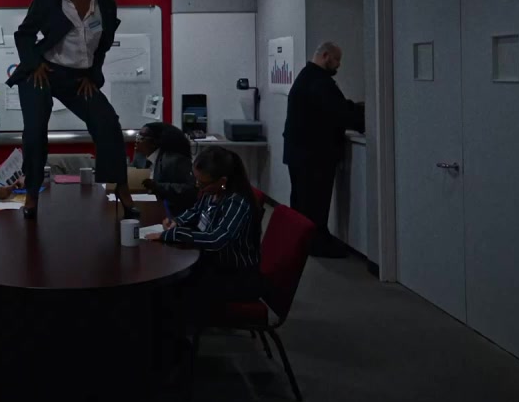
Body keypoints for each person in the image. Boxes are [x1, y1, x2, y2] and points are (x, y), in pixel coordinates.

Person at [7, 0, 139, 220]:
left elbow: (102, 46)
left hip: (78, 77)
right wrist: (35, 64)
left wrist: (92, 75)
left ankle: (121, 188)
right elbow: (24, 35)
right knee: (35, 131)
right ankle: (32, 194)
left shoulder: (102, 2)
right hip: (43, 72)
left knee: (107, 123)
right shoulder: (48, 0)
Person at [145, 146, 263, 323]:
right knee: (165, 283)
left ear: (222, 181)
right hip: (211, 263)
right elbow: (196, 211)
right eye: (196, 181)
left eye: (202, 183)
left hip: (235, 275)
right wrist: (177, 221)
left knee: (171, 289)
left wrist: (173, 234)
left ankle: (173, 334)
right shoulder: (212, 192)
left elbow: (216, 239)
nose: (198, 186)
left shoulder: (236, 203)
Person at [282, 42, 366, 258]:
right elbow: (339, 112)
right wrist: (363, 117)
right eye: (337, 59)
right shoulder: (320, 82)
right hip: (314, 155)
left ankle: (302, 241)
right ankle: (316, 244)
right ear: (326, 56)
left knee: (302, 202)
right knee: (315, 204)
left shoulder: (306, 77)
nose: (339, 65)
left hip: (299, 153)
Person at [134, 122, 197, 217]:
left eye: (141, 138)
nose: (137, 141)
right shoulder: (140, 157)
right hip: (147, 206)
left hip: (172, 211)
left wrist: (158, 187)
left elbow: (190, 189)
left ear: (154, 143)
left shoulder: (174, 160)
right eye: (137, 136)